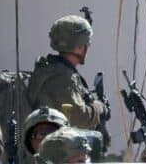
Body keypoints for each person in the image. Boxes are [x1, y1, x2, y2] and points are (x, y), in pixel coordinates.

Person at [28, 15, 109, 143]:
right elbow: (79, 119)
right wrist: (100, 108)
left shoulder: (51, 69)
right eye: (86, 44)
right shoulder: (62, 77)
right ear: (80, 47)